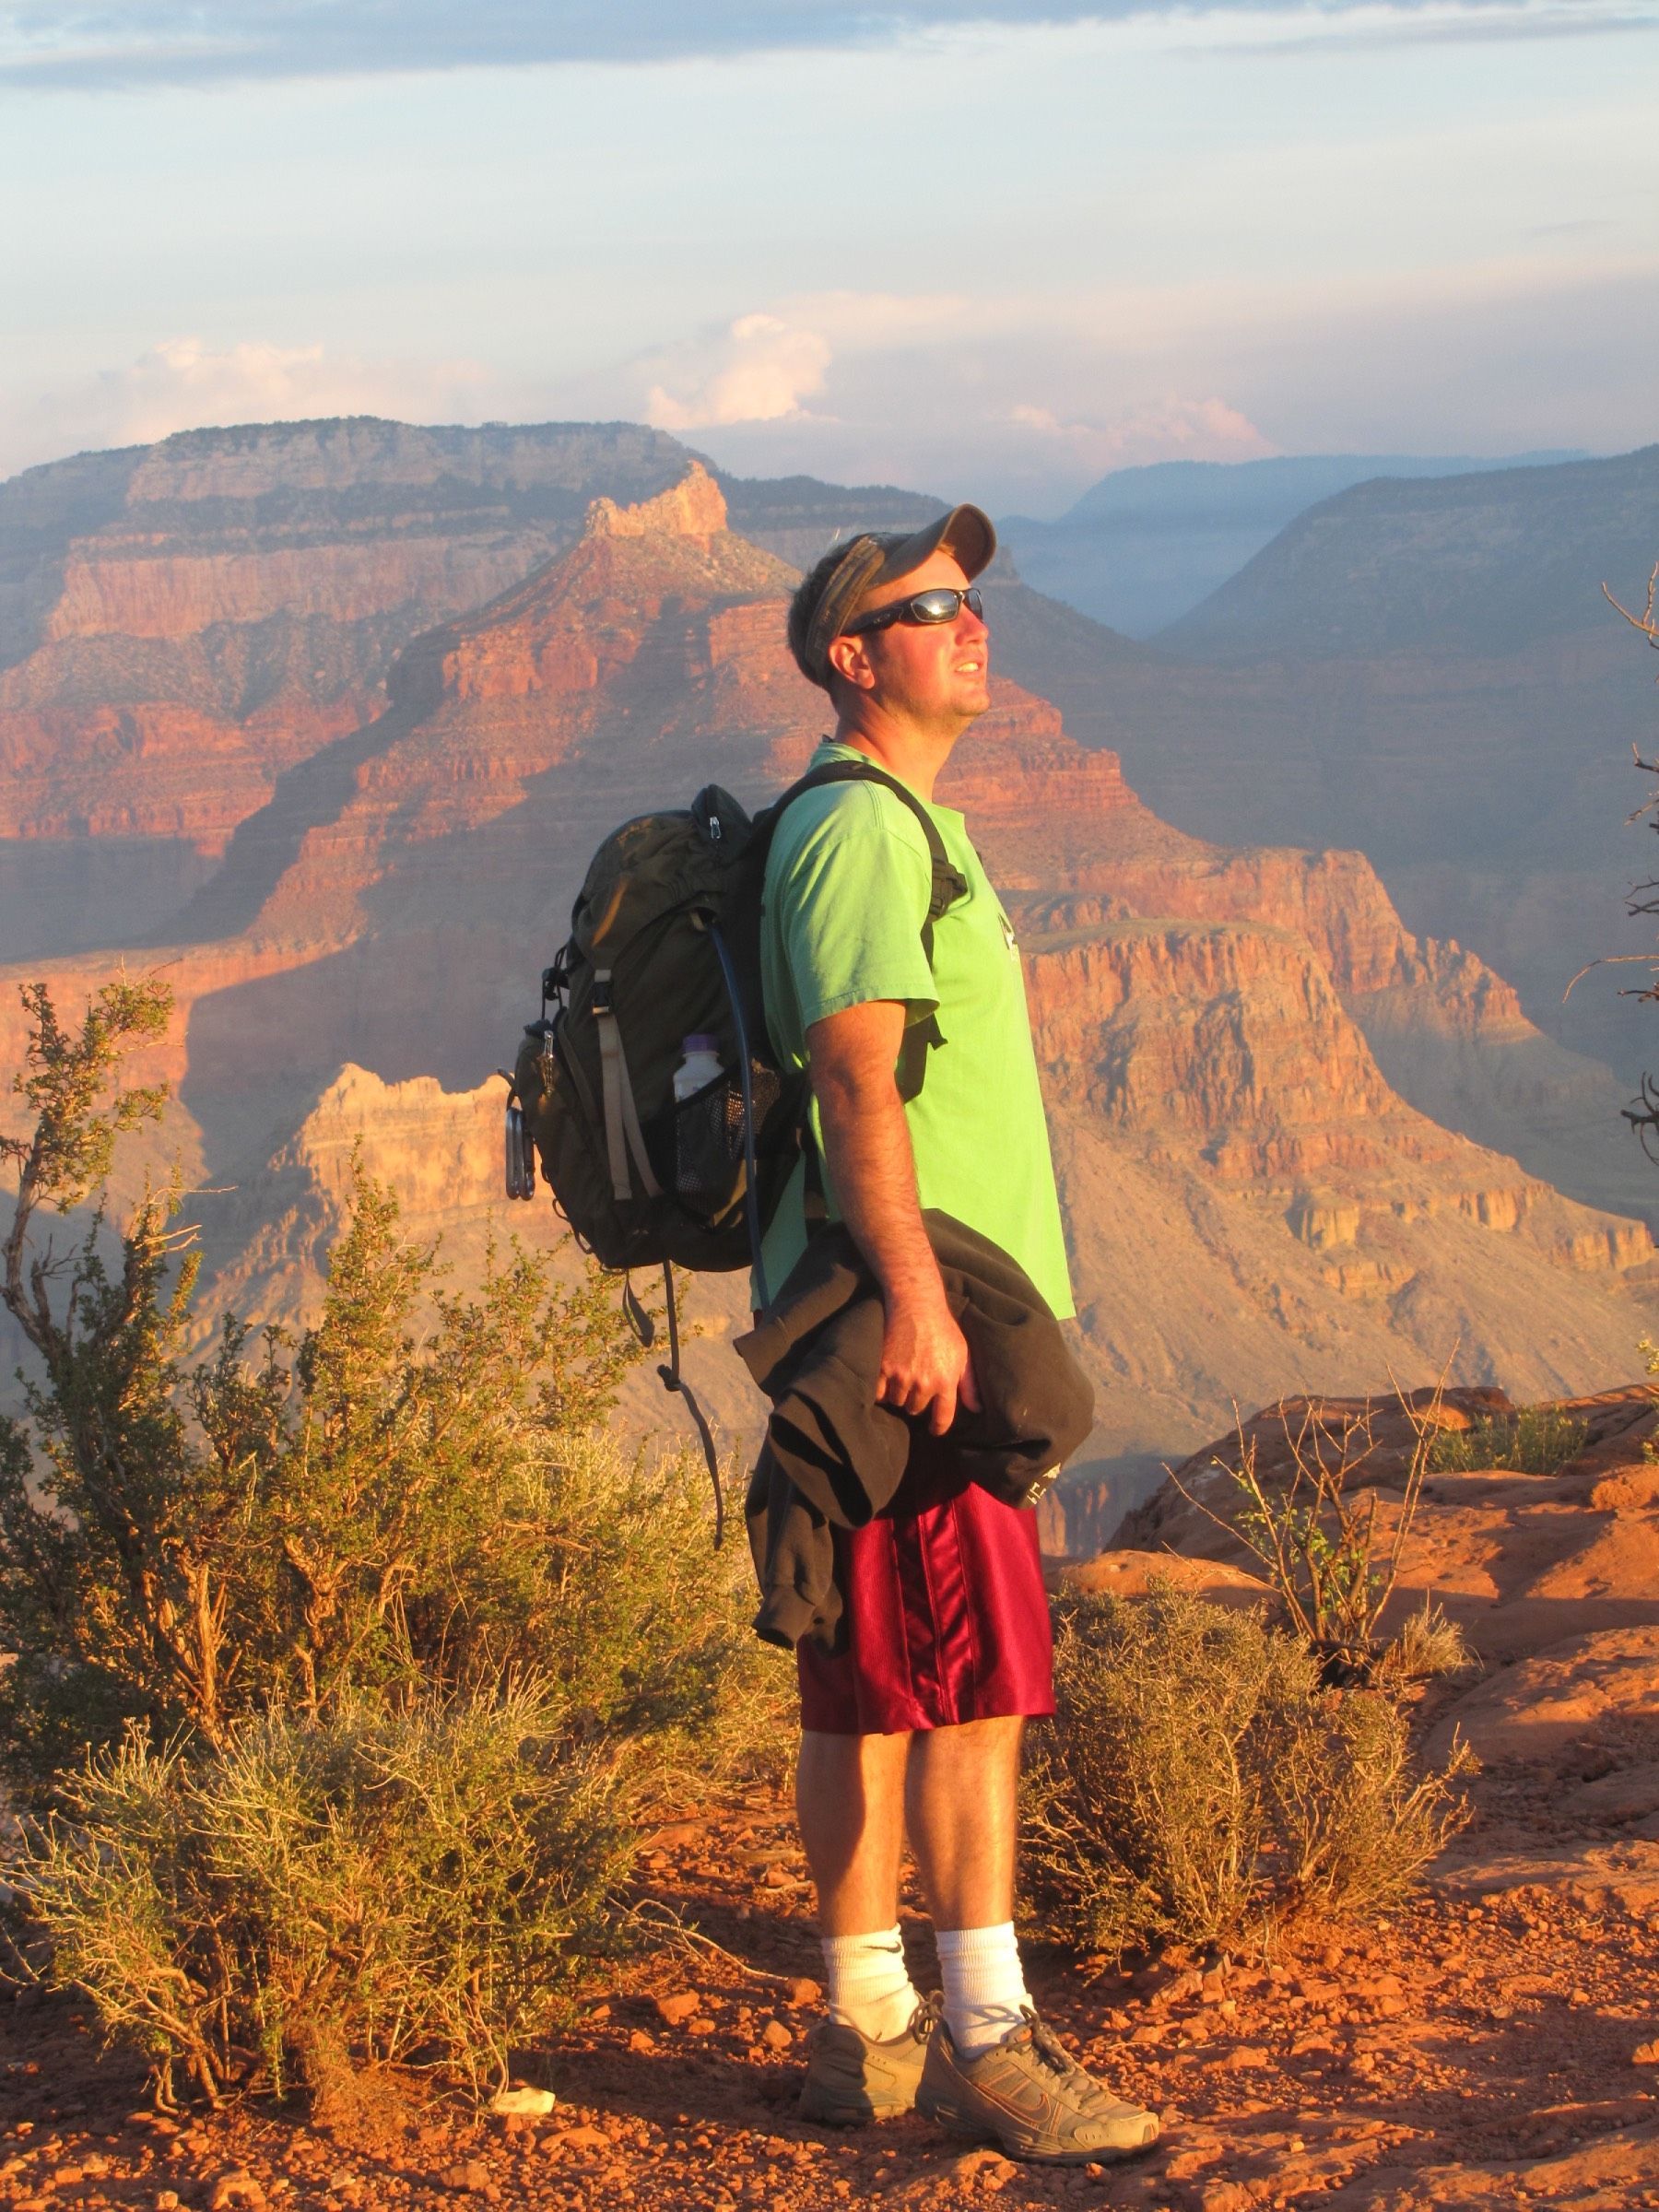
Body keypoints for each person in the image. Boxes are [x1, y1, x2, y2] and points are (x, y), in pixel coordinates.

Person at [755, 507, 1159, 2164]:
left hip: (888, 1298)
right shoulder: (860, 832)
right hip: (912, 1310)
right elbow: (857, 1074)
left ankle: (864, 2029)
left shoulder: (916, 820)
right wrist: (924, 1299)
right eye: (933, 610)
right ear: (857, 657)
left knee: (866, 1682)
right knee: (965, 1686)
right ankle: (989, 2035)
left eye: (974, 604)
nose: (972, 627)